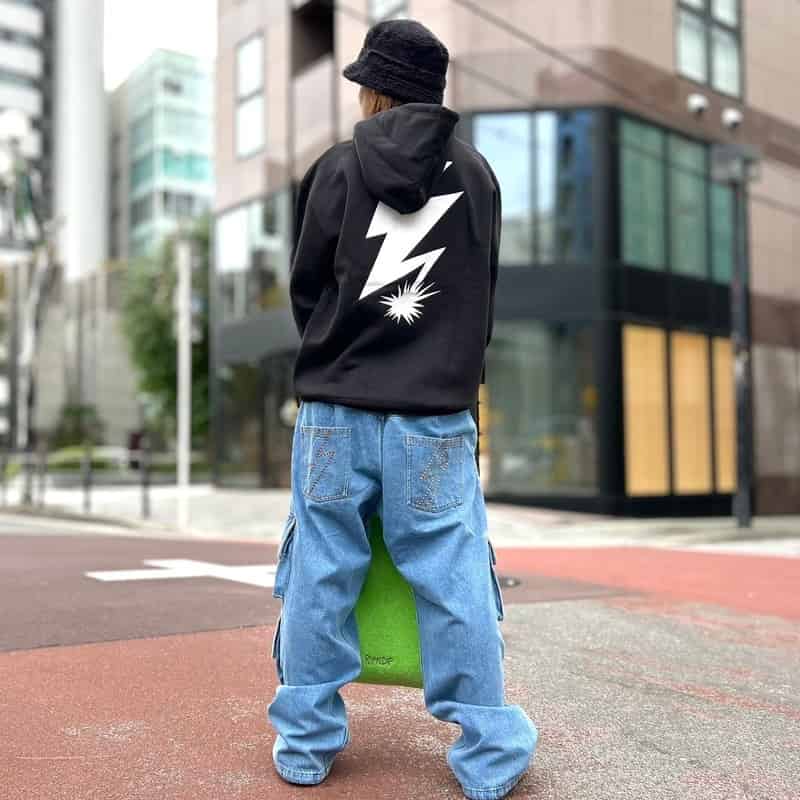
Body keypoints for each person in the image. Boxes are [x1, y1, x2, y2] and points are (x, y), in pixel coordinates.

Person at [267, 17, 538, 800]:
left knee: (321, 569)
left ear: (375, 90)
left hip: (336, 406)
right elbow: (481, 299)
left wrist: (340, 354)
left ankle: (306, 742)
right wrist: (447, 374)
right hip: (434, 414)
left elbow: (307, 289)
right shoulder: (477, 175)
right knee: (453, 574)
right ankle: (489, 752)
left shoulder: (334, 169)